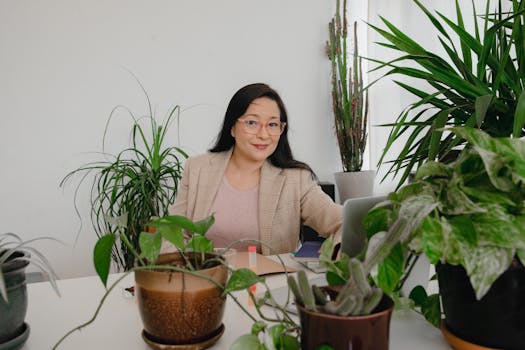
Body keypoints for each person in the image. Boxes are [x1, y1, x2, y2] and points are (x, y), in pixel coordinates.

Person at [166, 83, 342, 255]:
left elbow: (342, 221)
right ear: (232, 127)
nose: (263, 135)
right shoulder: (198, 169)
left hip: (272, 283)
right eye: (252, 123)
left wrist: (339, 251)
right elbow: (171, 234)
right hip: (207, 280)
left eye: (272, 125)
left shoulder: (296, 179)